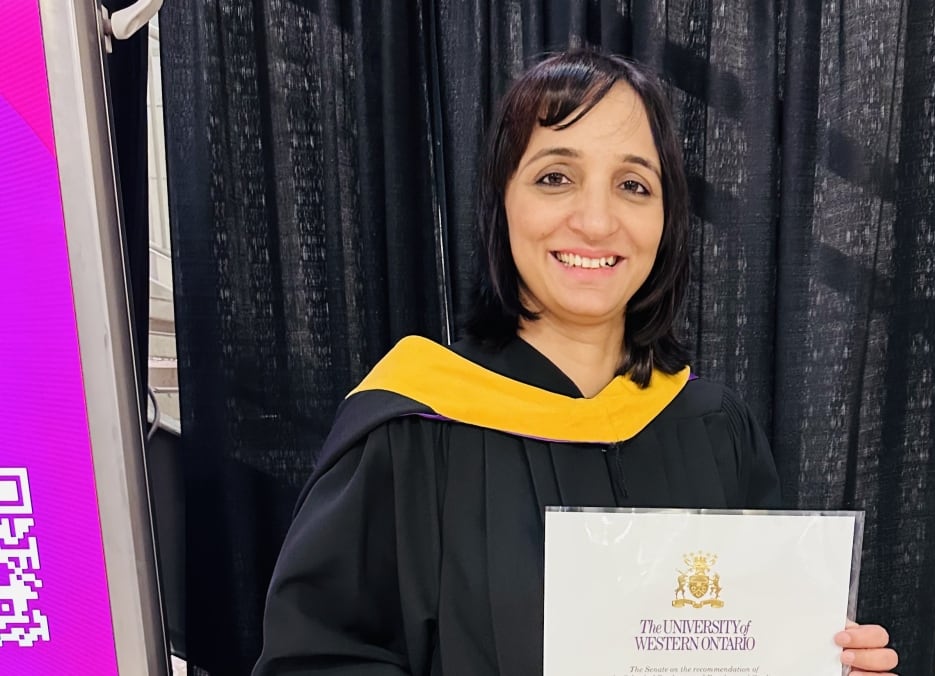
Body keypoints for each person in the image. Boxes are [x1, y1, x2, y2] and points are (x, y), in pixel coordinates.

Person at [253, 49, 899, 676]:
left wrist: (826, 663)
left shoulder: (717, 429)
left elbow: (760, 642)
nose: (595, 221)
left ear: (665, 220)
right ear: (502, 201)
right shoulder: (411, 432)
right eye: (555, 177)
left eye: (633, 185)